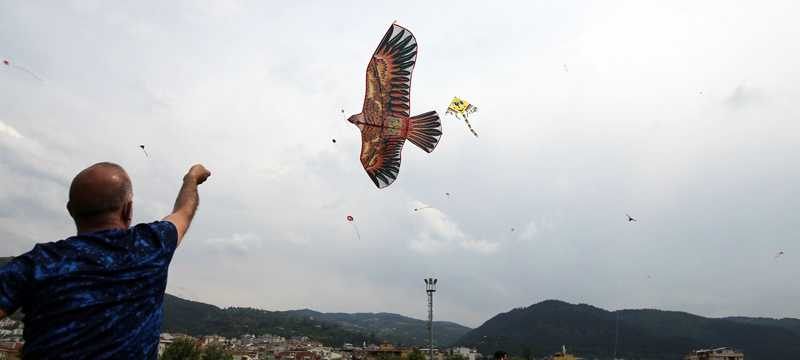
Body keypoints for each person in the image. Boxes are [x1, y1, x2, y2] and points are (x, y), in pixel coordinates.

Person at [0, 162, 211, 358]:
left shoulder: (37, 264)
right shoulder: (151, 246)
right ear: (128, 209)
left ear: (70, 210)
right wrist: (191, 179)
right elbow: (183, 211)